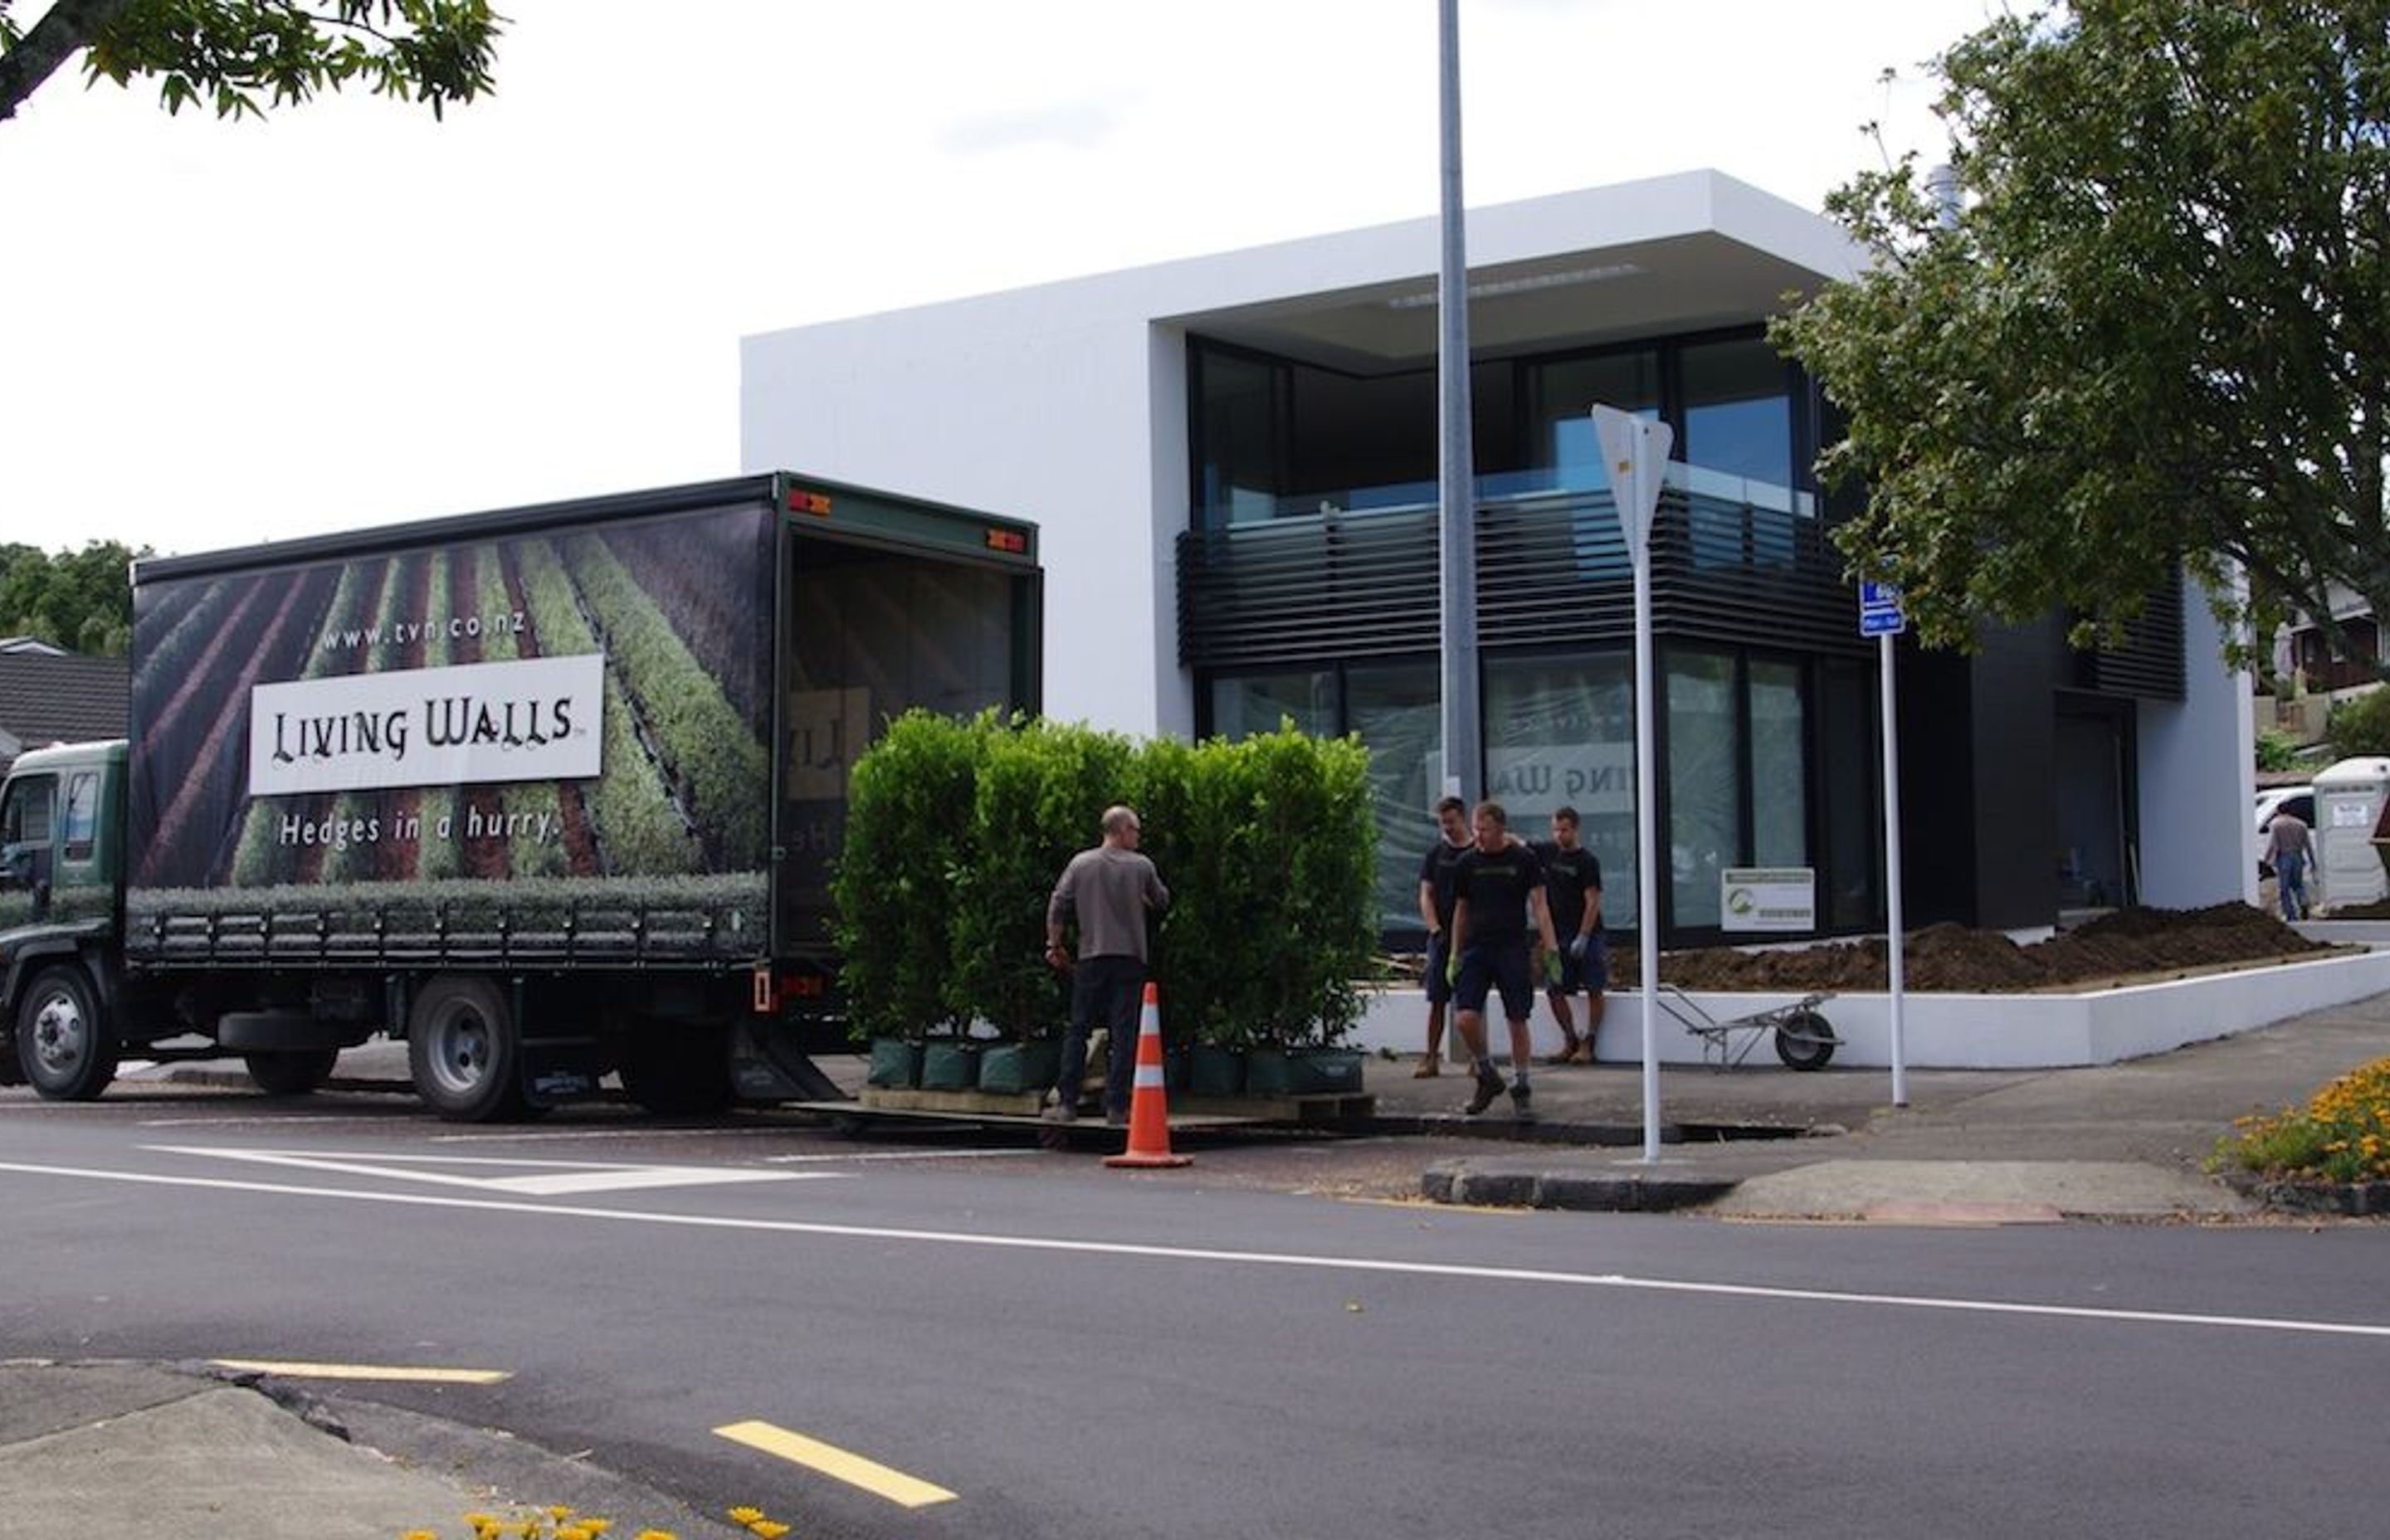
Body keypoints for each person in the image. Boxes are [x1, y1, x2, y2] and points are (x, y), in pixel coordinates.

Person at [1043, 805, 1170, 1124]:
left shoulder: (1081, 863)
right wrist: (1140, 899)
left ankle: (1068, 1103)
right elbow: (1162, 901)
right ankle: (1117, 1107)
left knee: (1079, 1028)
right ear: (1122, 831)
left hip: (1091, 956)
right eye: (1136, 830)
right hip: (1130, 957)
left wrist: (1054, 944)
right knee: (1124, 1032)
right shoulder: (1142, 867)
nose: (1139, 837)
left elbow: (1058, 903)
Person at [1447, 800, 1560, 1120]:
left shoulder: (1523, 860)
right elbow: (1460, 910)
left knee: (1517, 1018)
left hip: (1511, 947)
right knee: (1465, 1017)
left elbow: (1540, 905)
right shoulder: (1467, 863)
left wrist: (1551, 948)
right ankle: (1487, 1073)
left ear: (1499, 828)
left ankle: (1521, 1086)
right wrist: (1455, 952)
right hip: (1476, 947)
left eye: (1483, 829)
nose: (1477, 835)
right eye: (1475, 829)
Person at [1530, 806, 1607, 1065]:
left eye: (1564, 830)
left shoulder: (1587, 861)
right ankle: (1569, 1038)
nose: (1559, 835)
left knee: (1594, 987)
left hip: (1587, 934)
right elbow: (1519, 844)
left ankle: (1590, 1042)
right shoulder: (1549, 853)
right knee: (1554, 989)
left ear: (1575, 829)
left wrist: (1584, 936)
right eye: (1555, 830)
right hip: (1557, 934)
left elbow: (1593, 901)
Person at [1412, 795, 1472, 1077]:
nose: (1447, 828)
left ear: (1462, 818)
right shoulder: (1435, 855)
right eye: (1442, 823)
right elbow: (1426, 895)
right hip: (1441, 937)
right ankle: (1431, 1057)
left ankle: (1477, 1059)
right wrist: (1435, 928)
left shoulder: (1475, 854)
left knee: (1472, 1000)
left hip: (1472, 938)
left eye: (1451, 822)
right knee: (1437, 999)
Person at [2266, 806, 2317, 921]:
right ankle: (2303, 903)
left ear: (2278, 811)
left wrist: (2267, 860)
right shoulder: (2301, 824)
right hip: (2298, 856)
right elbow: (2308, 845)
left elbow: (2274, 844)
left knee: (2284, 888)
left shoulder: (2276, 824)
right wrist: (2313, 862)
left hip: (2284, 857)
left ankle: (2291, 915)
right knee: (2298, 885)